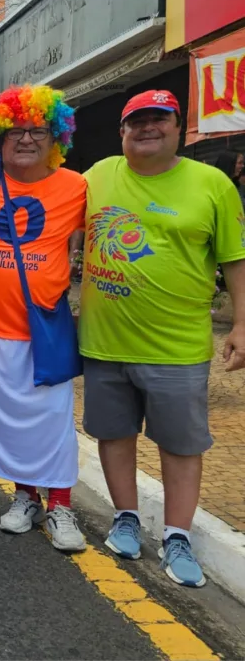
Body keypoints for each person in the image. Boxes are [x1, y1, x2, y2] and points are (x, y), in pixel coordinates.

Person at [79, 90, 245, 587]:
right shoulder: (96, 177)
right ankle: (125, 517)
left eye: (159, 119)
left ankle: (178, 536)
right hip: (104, 344)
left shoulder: (211, 184)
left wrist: (241, 324)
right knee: (113, 435)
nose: (147, 128)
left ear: (179, 127)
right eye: (136, 121)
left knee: (180, 444)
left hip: (177, 348)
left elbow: (236, 259)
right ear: (122, 131)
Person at [0, 84, 87, 553]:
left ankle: (61, 505)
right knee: (8, 421)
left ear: (57, 138)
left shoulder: (77, 186)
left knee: (51, 419)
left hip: (43, 328)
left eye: (37, 131)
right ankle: (25, 496)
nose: (26, 140)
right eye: (14, 131)